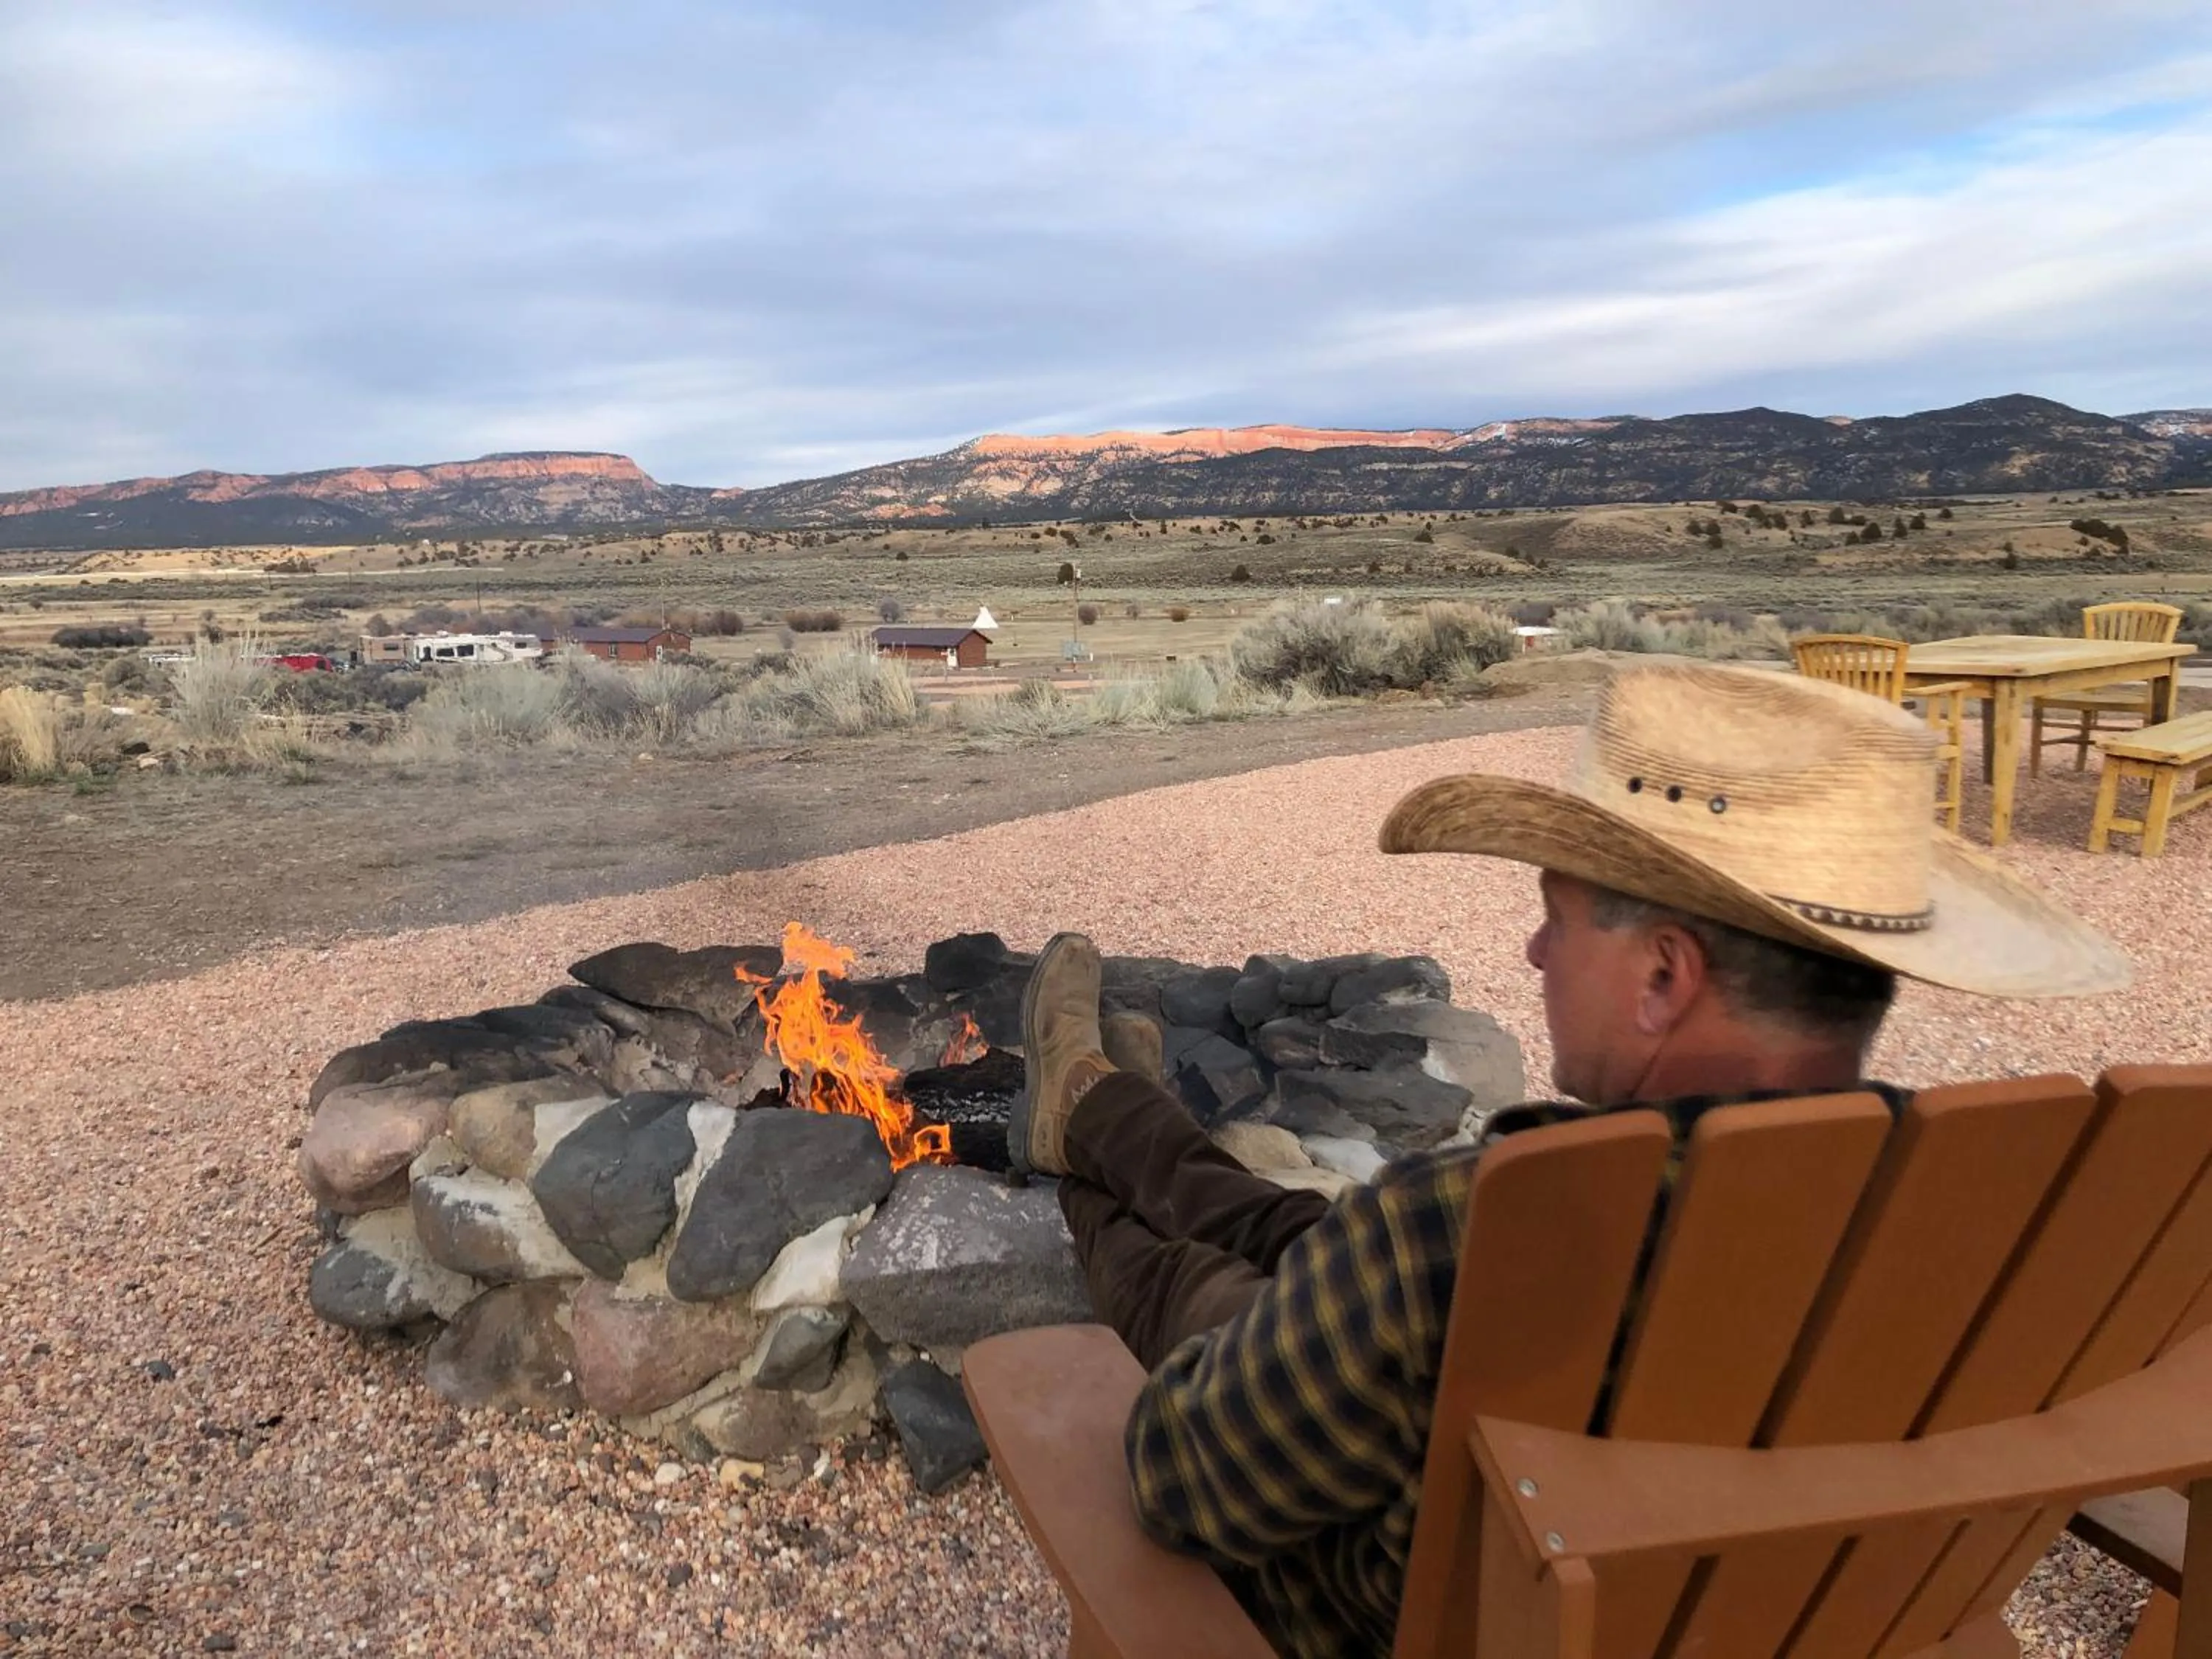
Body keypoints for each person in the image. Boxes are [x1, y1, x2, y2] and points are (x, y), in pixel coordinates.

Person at [995, 661, 2129, 1659]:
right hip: (1787, 1610)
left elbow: (1179, 1476)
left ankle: (1087, 1135)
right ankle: (1100, 1107)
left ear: (1663, 977)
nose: (1535, 950)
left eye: (1559, 914)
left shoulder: (1464, 1234)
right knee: (1311, 1242)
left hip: (1379, 1604)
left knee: (1206, 1285)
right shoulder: (2001, 1225)